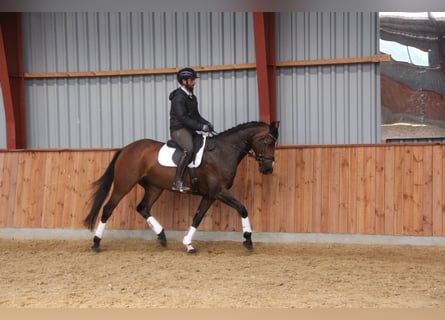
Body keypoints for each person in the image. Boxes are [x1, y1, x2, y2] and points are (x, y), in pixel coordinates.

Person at [169, 67, 214, 192]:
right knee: (188, 149)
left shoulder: (192, 97)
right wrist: (200, 127)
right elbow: (182, 118)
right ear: (184, 81)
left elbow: (196, 116)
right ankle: (178, 181)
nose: (194, 82)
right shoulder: (178, 98)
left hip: (189, 129)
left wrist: (206, 124)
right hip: (179, 130)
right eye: (192, 80)